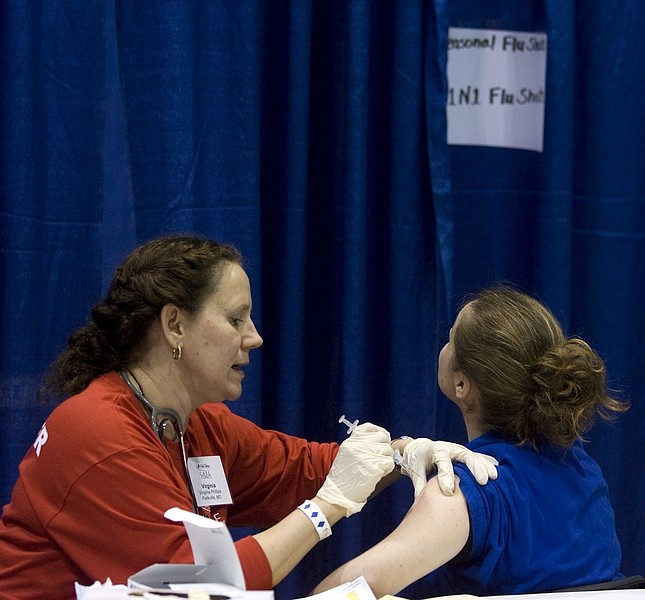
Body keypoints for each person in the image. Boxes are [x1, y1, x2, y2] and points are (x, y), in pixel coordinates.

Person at [0, 234, 497, 600]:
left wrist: (405, 454)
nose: (255, 337)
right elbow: (207, 584)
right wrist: (325, 510)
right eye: (237, 319)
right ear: (174, 324)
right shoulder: (98, 434)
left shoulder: (196, 424)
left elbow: (303, 469)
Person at [313, 285, 628, 598]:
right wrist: (399, 451)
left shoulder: (461, 493)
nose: (445, 345)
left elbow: (333, 596)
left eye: (450, 339)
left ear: (461, 383)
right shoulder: (582, 467)